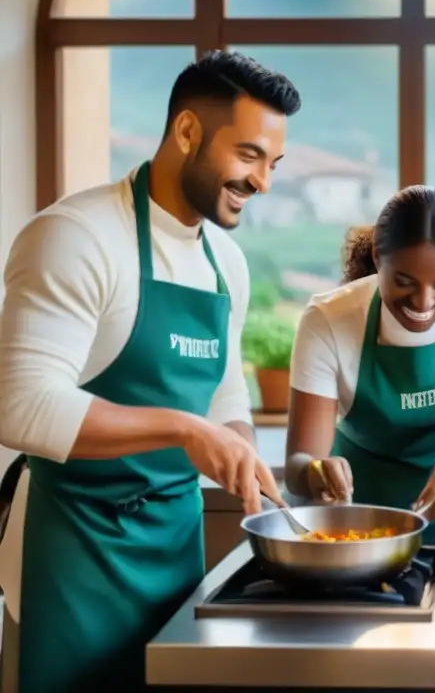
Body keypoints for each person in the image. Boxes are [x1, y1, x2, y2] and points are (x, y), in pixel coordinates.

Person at [0, 50, 300, 692]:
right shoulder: (75, 237)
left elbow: (222, 390)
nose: (264, 183)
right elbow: (20, 406)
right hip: (73, 552)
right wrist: (187, 432)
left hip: (174, 547)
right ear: (188, 131)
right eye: (248, 155)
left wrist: (239, 446)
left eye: (273, 164)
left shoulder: (228, 261)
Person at [285, 186, 435, 545]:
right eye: (404, 282)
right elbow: (298, 465)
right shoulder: (329, 318)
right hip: (351, 532)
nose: (424, 302)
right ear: (379, 258)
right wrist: (317, 470)